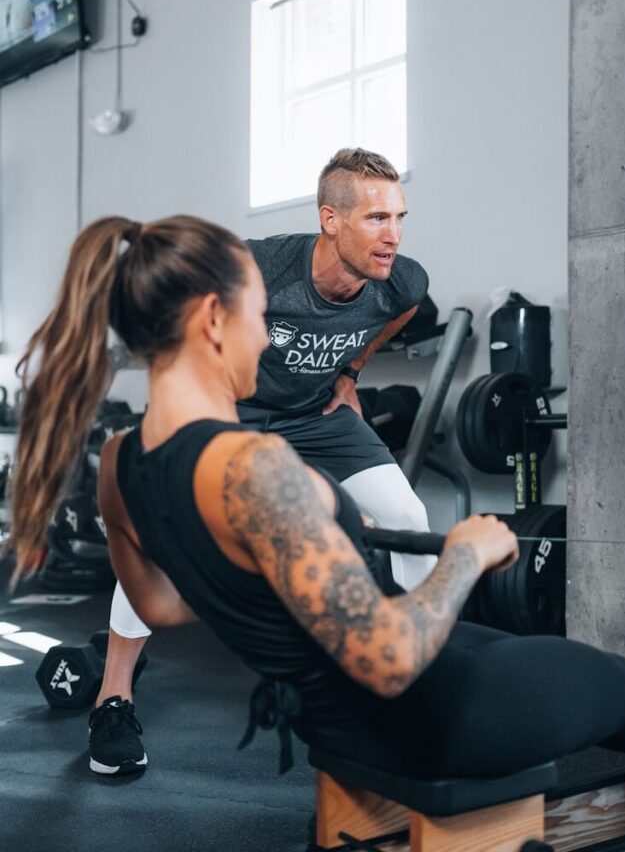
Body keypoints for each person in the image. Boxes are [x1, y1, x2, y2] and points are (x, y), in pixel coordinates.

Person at [9, 213, 625, 798]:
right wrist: (464, 555)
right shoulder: (254, 467)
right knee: (619, 686)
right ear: (211, 320)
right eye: (259, 317)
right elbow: (391, 659)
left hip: (326, 717)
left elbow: (165, 605)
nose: (267, 338)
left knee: (554, 665)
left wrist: (314, 552)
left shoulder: (119, 459)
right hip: (416, 718)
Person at [84, 148, 436, 776]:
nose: (394, 235)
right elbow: (182, 324)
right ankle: (114, 696)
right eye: (377, 219)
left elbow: (406, 312)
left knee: (409, 516)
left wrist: (352, 370)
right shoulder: (258, 267)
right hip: (235, 415)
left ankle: (412, 680)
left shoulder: (401, 281)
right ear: (331, 219)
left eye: (400, 217)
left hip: (316, 419)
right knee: (164, 539)